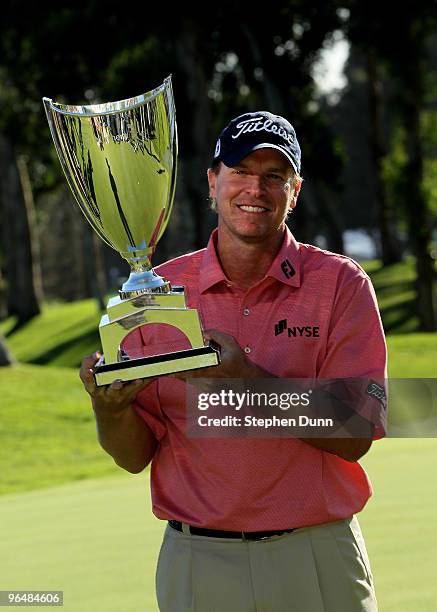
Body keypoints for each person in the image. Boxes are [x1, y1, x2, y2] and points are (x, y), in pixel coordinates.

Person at [80, 111, 387, 612]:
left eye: (274, 176)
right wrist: (109, 410)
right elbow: (134, 457)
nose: (255, 189)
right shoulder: (159, 293)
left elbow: (355, 434)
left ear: (295, 190)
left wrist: (246, 379)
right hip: (200, 561)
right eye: (241, 172)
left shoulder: (340, 285)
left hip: (318, 556)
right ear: (212, 181)